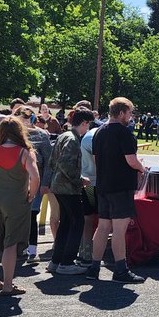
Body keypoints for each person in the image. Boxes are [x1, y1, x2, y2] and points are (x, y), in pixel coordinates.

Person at [0, 116, 40, 296]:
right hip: (16, 202)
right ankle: (8, 285)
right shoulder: (25, 152)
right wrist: (31, 195)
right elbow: (35, 177)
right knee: (11, 244)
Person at [88, 96, 146, 282]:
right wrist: (141, 168)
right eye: (129, 113)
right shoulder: (124, 133)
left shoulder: (98, 132)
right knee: (120, 230)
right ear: (121, 112)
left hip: (103, 185)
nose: (130, 117)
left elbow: (96, 160)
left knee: (103, 226)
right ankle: (120, 270)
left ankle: (94, 268)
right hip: (121, 187)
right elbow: (131, 160)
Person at [47, 109, 93, 276]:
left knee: (66, 224)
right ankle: (66, 262)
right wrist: (79, 180)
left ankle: (56, 261)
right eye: (88, 125)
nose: (87, 129)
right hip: (68, 189)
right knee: (77, 223)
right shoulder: (73, 140)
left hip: (58, 186)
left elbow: (53, 162)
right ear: (84, 123)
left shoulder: (63, 135)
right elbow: (66, 164)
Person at [22, 106, 54, 266]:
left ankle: (32, 250)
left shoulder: (41, 135)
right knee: (16, 216)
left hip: (36, 182)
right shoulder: (13, 135)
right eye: (22, 117)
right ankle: (18, 247)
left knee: (32, 215)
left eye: (28, 117)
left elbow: (49, 162)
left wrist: (45, 183)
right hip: (16, 183)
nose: (25, 120)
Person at [77, 115, 101, 264]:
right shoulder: (93, 137)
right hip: (93, 182)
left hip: (88, 181)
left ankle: (85, 251)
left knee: (88, 217)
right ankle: (86, 253)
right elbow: (97, 161)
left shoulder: (87, 136)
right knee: (91, 217)